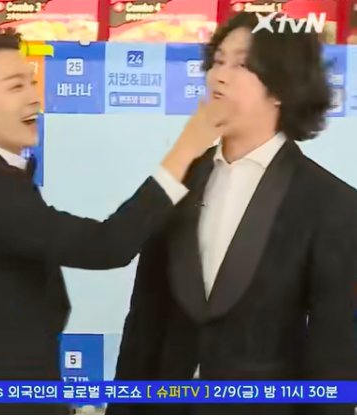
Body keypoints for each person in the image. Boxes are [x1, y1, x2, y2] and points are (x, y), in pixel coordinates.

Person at [0, 27, 228, 415]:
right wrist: (186, 148)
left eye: (31, 82)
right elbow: (107, 246)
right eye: (15, 86)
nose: (34, 96)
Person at [108, 12, 357, 415]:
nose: (218, 77)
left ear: (282, 87)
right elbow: (145, 321)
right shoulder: (177, 181)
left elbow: (333, 348)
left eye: (241, 64)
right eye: (218, 61)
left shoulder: (331, 203)